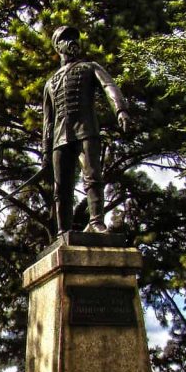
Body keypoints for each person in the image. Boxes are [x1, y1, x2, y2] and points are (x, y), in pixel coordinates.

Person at [40, 25, 131, 235]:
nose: (72, 41)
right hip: (60, 138)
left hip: (86, 129)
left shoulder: (89, 67)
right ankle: (63, 230)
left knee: (92, 176)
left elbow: (109, 87)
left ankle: (97, 222)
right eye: (66, 38)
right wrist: (45, 151)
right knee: (61, 187)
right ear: (57, 46)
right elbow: (48, 121)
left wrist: (120, 110)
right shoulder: (50, 83)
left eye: (74, 37)